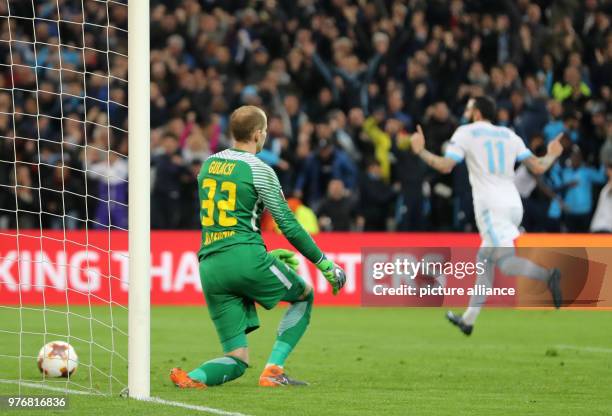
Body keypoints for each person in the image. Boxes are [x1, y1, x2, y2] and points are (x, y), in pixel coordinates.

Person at [169, 105, 346, 389]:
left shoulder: (208, 165)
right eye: (264, 131)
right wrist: (325, 263)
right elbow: (287, 224)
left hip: (210, 265)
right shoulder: (259, 169)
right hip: (245, 257)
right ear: (257, 134)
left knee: (237, 359)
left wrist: (261, 255)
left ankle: (193, 377)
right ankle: (274, 371)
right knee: (304, 296)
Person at [410, 96, 564, 336]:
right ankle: (469, 320)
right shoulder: (510, 135)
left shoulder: (466, 132)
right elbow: (539, 167)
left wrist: (420, 151)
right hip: (513, 204)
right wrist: (553, 154)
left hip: (491, 207)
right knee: (485, 261)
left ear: (477, 113)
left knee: (504, 263)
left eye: (470, 109)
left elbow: (445, 165)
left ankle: (548, 275)